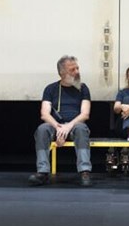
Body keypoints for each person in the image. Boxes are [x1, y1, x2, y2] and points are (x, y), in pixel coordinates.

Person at [31, 55, 93, 186]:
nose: (77, 72)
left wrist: (68, 126)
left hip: (75, 124)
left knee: (81, 129)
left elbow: (85, 114)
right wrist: (58, 127)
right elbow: (44, 114)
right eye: (72, 70)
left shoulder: (83, 88)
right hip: (56, 125)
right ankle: (42, 172)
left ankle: (85, 172)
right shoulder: (51, 89)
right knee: (42, 129)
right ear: (62, 73)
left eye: (77, 68)